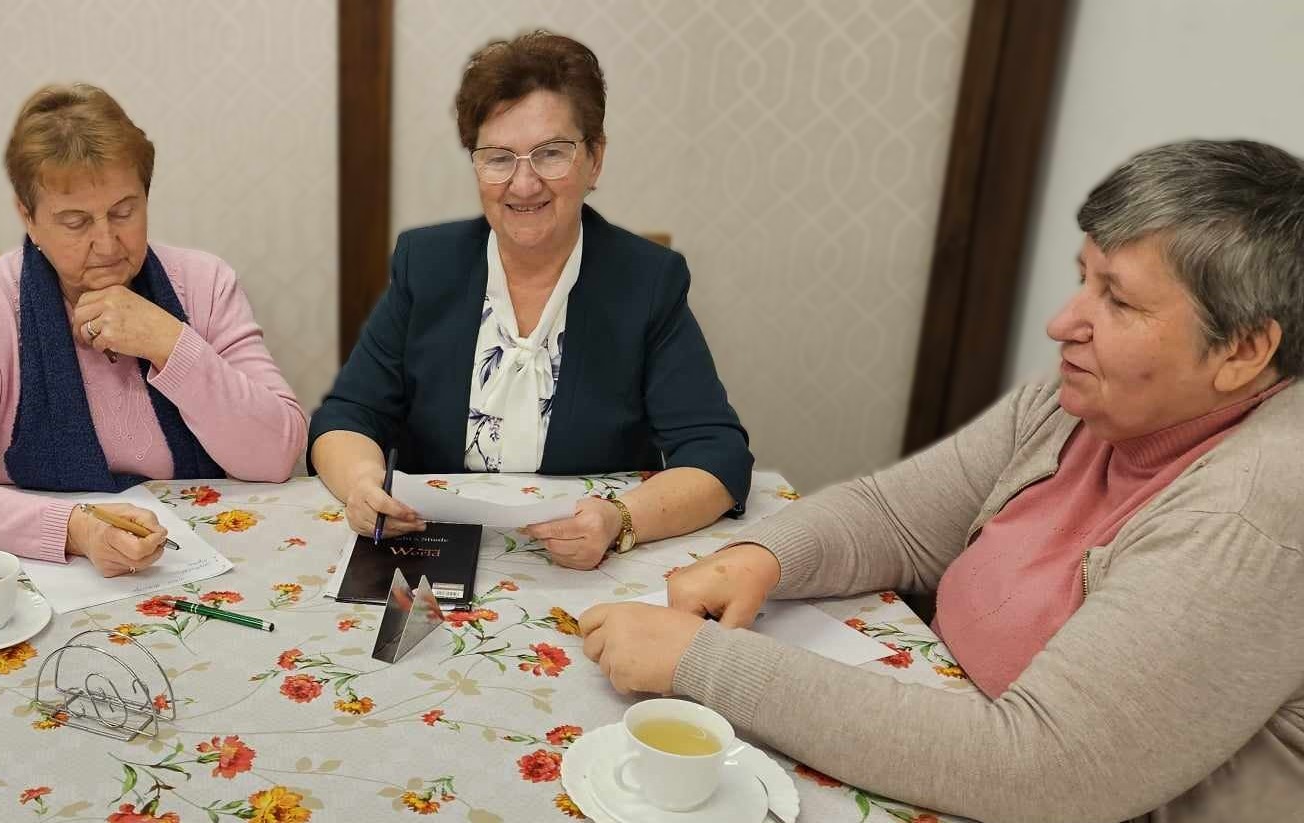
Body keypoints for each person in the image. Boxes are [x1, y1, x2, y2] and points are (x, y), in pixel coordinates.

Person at [579, 139, 1304, 822]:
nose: (1062, 323)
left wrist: (701, 662)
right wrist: (759, 559)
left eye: (1118, 299)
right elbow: (895, 518)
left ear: (1243, 350)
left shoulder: (1253, 510)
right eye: (1083, 278)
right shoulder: (1087, 400)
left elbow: (1041, 767)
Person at [310, 31, 751, 568]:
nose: (523, 184)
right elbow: (347, 416)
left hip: (582, 567)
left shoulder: (647, 280)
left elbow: (718, 455)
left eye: (551, 154)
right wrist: (363, 484)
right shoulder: (425, 265)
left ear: (595, 159)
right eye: (498, 158)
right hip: (436, 554)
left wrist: (621, 518)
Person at [0, 84, 306, 577]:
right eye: (75, 222)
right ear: (28, 217)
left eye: (124, 211)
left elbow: (278, 454)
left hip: (201, 557)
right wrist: (76, 529)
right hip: (48, 569)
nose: (107, 244)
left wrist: (169, 342)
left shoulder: (204, 283)